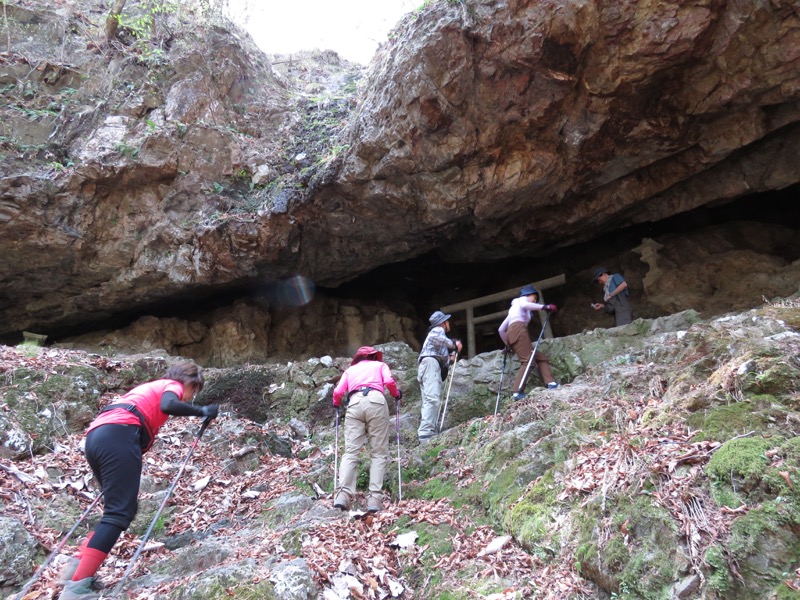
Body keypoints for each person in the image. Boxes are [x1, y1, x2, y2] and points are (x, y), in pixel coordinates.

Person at [59, 362, 219, 600]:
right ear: (188, 382)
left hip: (98, 436)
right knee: (119, 513)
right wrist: (202, 411)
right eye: (193, 391)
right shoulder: (171, 386)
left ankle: (79, 567)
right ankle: (76, 588)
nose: (191, 397)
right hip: (118, 434)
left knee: (117, 510)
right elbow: (169, 405)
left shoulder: (149, 388)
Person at [332, 346, 401, 514]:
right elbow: (390, 382)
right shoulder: (380, 366)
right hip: (376, 402)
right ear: (373, 356)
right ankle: (374, 499)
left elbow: (338, 391)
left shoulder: (350, 370)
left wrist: (335, 404)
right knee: (378, 452)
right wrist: (396, 394)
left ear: (358, 358)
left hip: (355, 403)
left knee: (351, 452)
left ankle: (343, 495)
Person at [498, 285, 558, 401]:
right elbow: (525, 305)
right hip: (519, 330)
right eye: (534, 298)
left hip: (515, 333)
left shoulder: (513, 311)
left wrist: (508, 345)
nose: (535, 301)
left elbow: (501, 329)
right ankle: (517, 392)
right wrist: (545, 306)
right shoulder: (521, 300)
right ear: (527, 295)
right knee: (528, 362)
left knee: (541, 358)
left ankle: (550, 382)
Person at [416, 311, 462, 442]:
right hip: (430, 364)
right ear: (443, 323)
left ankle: (427, 431)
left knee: (429, 400)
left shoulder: (438, 340)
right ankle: (426, 432)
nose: (449, 324)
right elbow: (440, 339)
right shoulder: (437, 330)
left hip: (428, 365)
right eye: (447, 321)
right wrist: (454, 345)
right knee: (432, 399)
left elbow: (442, 358)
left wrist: (450, 359)